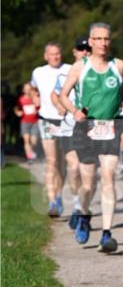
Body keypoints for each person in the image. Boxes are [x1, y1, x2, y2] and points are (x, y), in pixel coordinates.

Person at [57, 23, 123, 252]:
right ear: (90, 42)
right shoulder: (79, 67)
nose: (103, 43)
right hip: (85, 129)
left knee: (109, 178)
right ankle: (83, 214)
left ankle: (106, 234)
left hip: (111, 128)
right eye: (98, 39)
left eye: (107, 39)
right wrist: (74, 111)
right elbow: (63, 95)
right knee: (88, 183)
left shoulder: (119, 66)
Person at [51, 36, 91, 230]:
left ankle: (82, 207)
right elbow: (55, 94)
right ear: (74, 52)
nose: (84, 51)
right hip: (68, 126)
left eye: (87, 49)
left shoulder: (96, 70)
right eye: (80, 49)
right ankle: (77, 205)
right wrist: (61, 107)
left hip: (91, 129)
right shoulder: (67, 72)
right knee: (73, 168)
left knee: (90, 175)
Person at [31, 41, 71, 216]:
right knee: (51, 160)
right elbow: (32, 88)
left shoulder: (69, 69)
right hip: (47, 119)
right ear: (45, 56)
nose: (55, 57)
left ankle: (59, 194)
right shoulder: (38, 72)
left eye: (58, 53)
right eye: (52, 54)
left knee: (62, 162)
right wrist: (35, 97)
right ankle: (52, 200)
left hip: (65, 120)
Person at [14, 83, 40, 161]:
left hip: (35, 122)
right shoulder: (21, 99)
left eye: (29, 88)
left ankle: (31, 153)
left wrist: (37, 110)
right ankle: (29, 157)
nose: (28, 90)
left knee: (34, 141)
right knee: (26, 139)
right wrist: (18, 113)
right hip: (25, 122)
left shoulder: (35, 98)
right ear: (23, 90)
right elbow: (16, 108)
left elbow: (39, 107)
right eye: (26, 89)